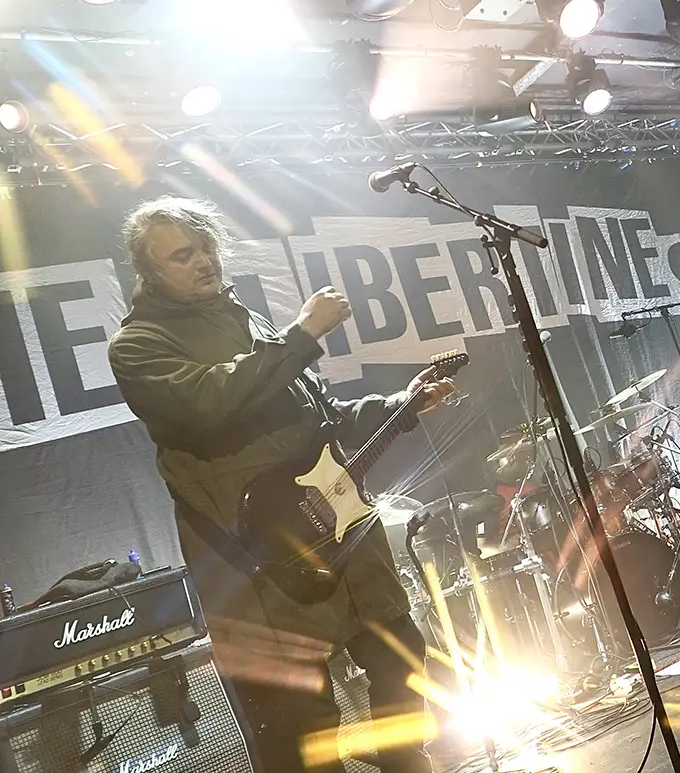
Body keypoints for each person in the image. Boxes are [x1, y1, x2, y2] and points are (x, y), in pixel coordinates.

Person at [107, 196, 456, 773]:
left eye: (207, 248)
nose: (203, 262)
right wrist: (300, 336)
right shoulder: (138, 346)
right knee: (303, 720)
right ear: (148, 269)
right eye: (182, 255)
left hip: (338, 528)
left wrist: (403, 404)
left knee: (401, 654)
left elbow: (318, 418)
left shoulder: (247, 320)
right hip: (259, 558)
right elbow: (212, 404)